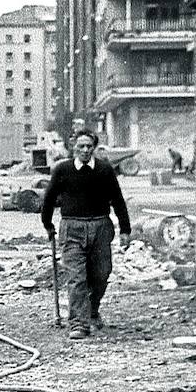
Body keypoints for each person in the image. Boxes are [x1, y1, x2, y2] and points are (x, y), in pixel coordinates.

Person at [41, 130, 132, 340]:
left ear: (94, 148)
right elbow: (49, 198)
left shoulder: (104, 170)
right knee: (76, 278)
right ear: (74, 146)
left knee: (101, 274)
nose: (85, 150)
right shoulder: (62, 169)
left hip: (100, 228)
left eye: (89, 146)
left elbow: (118, 200)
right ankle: (79, 323)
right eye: (81, 146)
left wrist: (125, 230)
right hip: (72, 228)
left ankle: (92, 309)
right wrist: (47, 224)